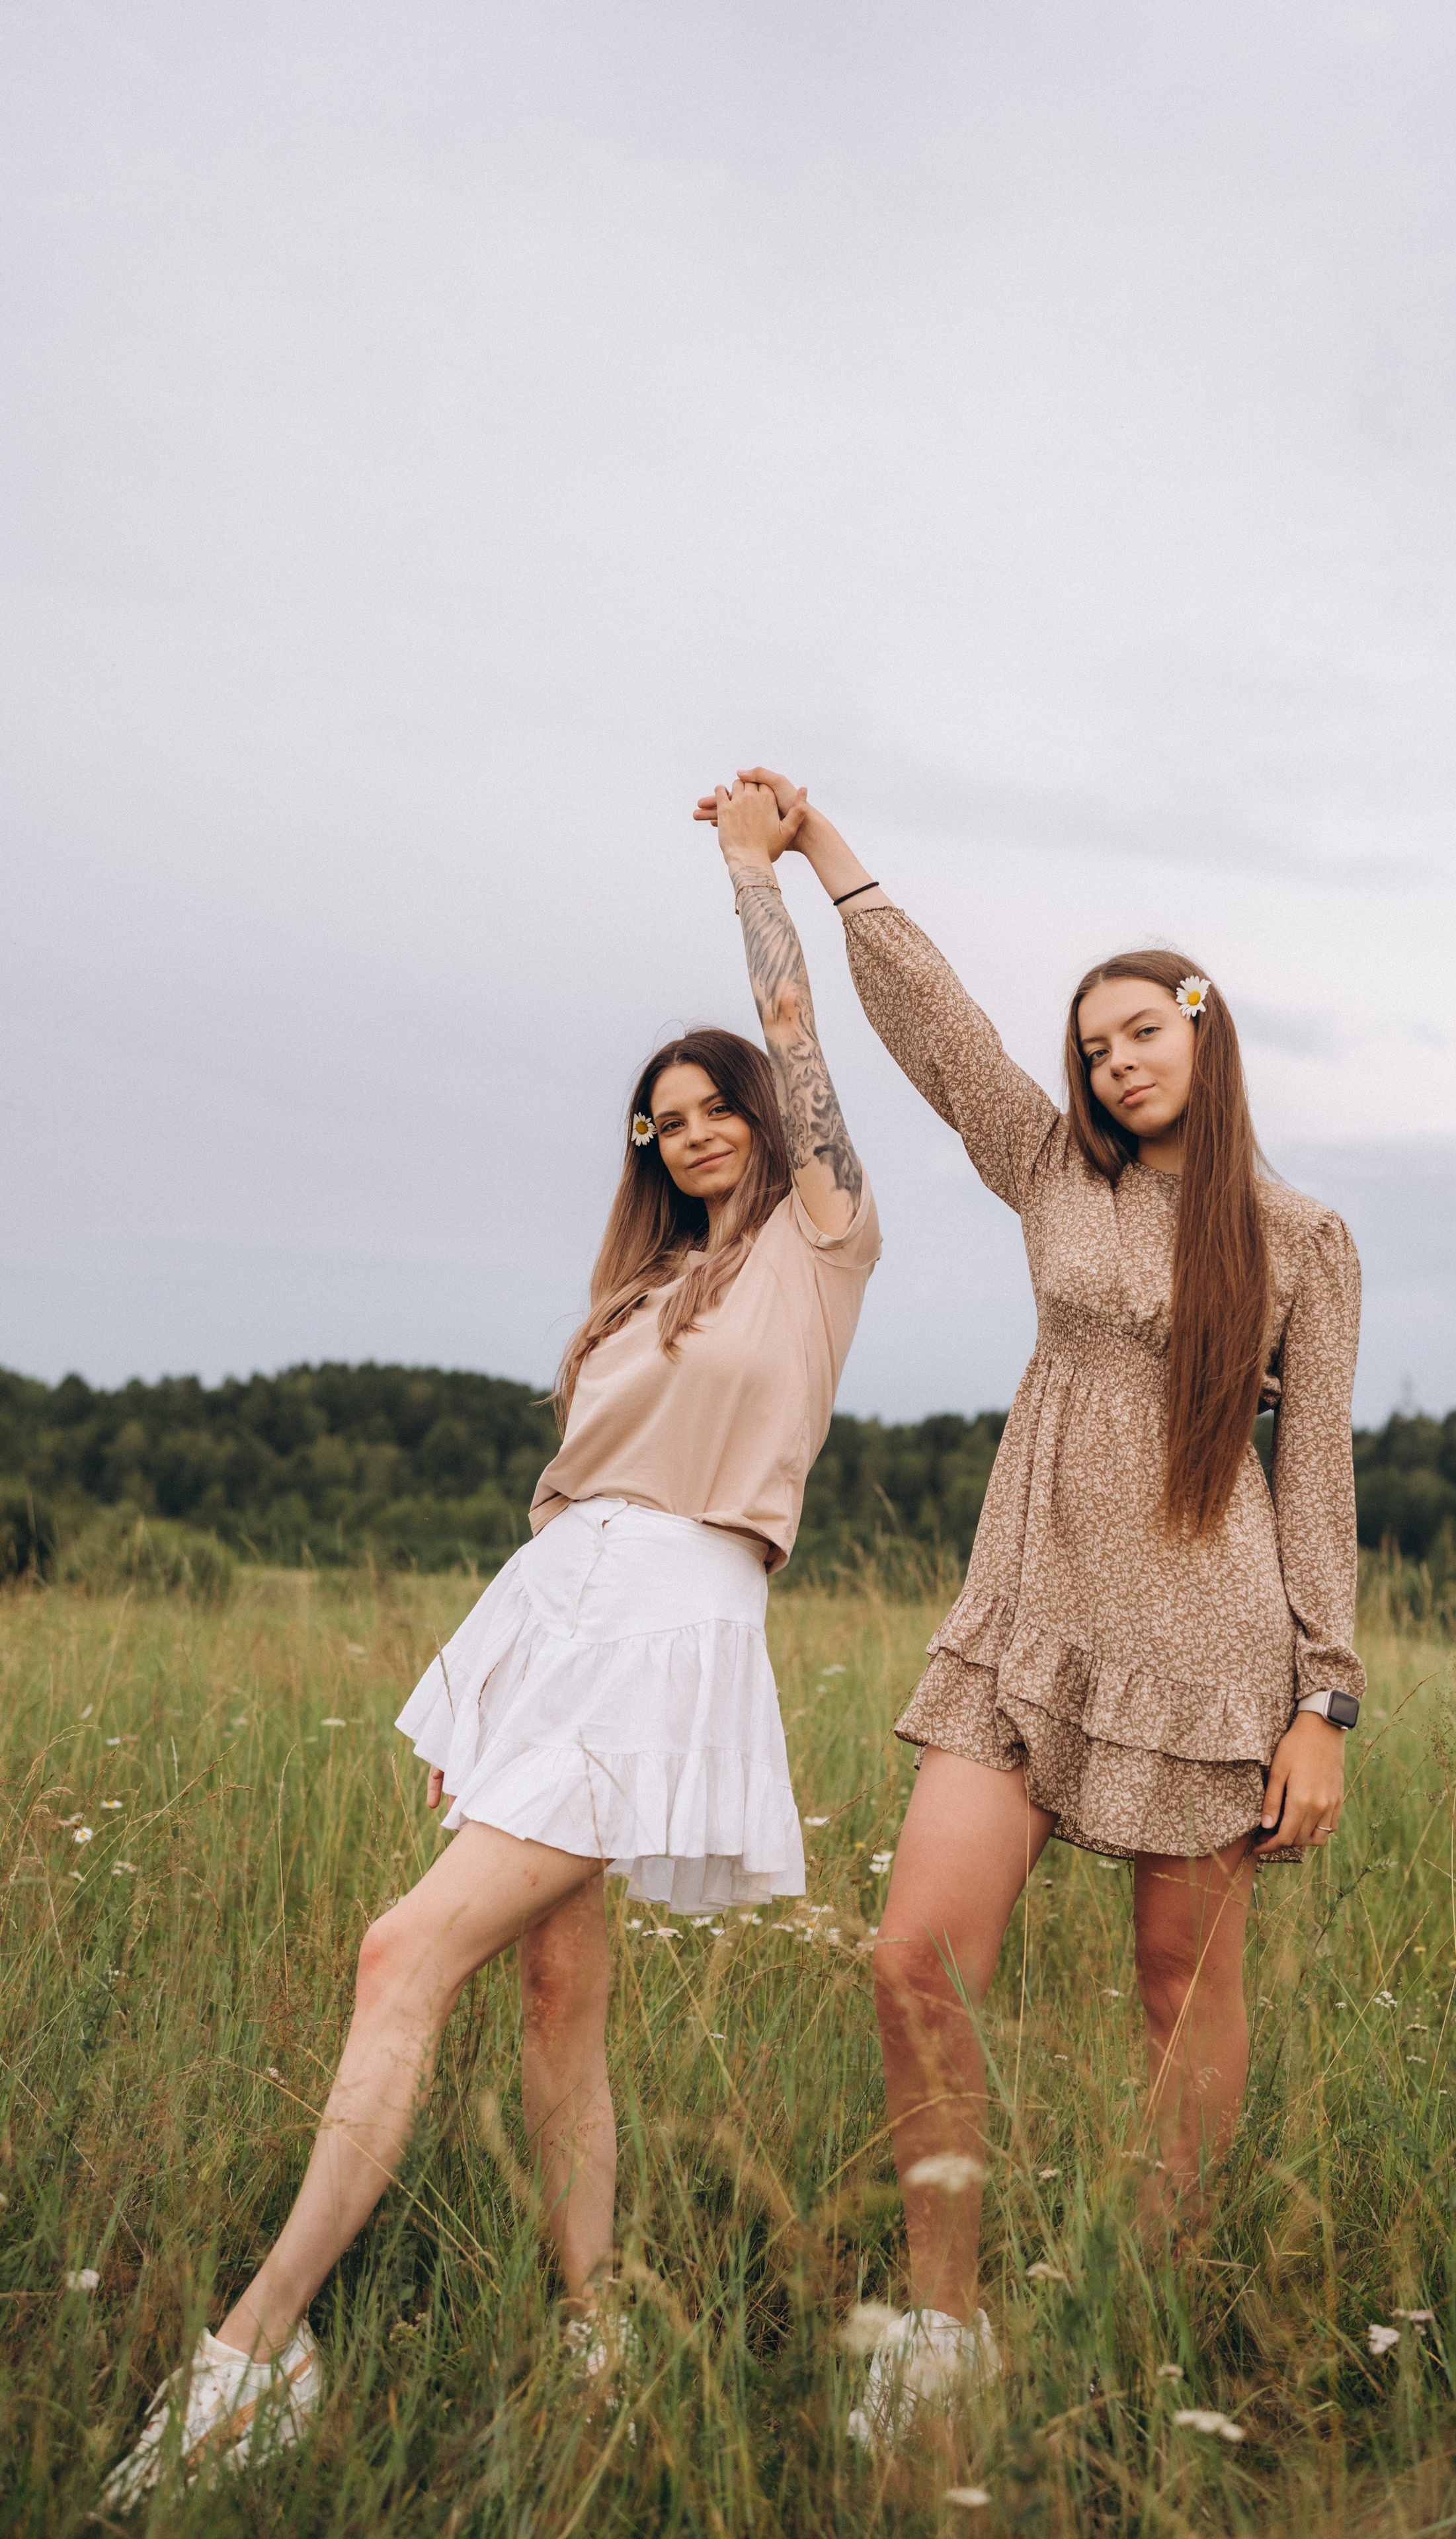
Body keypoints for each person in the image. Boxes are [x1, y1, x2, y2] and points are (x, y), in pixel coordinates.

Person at [102, 780, 879, 2505]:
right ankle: (597, 2320)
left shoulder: (819, 1249)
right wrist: (505, 1681)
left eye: (713, 1109)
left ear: (762, 1119)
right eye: (659, 1122)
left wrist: (761, 870)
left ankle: (255, 2351)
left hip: (666, 1636)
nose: (689, 1134)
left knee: (400, 1952)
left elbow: (796, 1025)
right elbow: (565, 1504)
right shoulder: (637, 1297)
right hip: (555, 1622)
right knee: (553, 1992)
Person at [696, 769, 1364, 2451]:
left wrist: (1324, 1703)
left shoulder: (1299, 1239)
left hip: (1212, 1654)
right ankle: (941, 2323)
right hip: (1026, 1619)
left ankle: (1144, 2307)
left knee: (1176, 1993)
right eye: (1092, 1045)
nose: (1112, 1062)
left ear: (1203, 1035)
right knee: (914, 1957)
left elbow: (1315, 1478)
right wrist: (813, 853)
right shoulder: (1051, 1169)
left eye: (1139, 1032)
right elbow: (938, 1031)